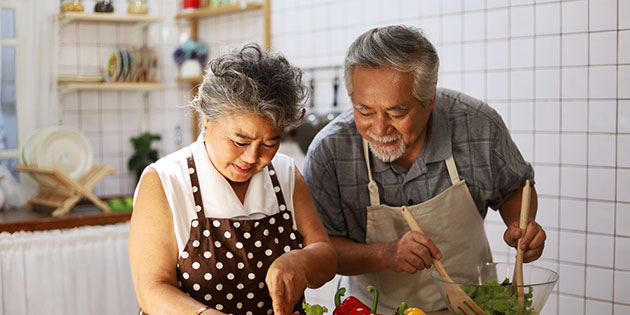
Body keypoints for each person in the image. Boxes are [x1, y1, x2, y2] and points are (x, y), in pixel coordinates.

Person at [303, 25, 547, 313]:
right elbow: (321, 251)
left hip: (472, 306)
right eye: (364, 110)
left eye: (397, 112)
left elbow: (514, 188)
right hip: (374, 308)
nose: (379, 129)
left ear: (430, 100)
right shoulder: (330, 151)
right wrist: (386, 253)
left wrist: (521, 225)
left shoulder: (476, 125)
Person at [129, 43, 337, 315]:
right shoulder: (166, 181)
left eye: (270, 143)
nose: (253, 157)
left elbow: (327, 257)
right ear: (206, 119)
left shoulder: (285, 174)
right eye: (240, 141)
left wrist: (301, 261)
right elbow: (152, 290)